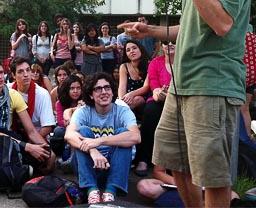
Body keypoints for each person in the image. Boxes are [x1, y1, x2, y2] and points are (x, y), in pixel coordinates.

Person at [119, 0, 253, 207]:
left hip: (213, 83)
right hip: (181, 84)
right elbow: (194, 26)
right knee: (174, 164)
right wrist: (150, 30)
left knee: (213, 175)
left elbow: (222, 24)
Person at [65, 72, 140, 204]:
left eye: (107, 88)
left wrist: (98, 141)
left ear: (112, 92)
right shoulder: (83, 111)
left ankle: (110, 192)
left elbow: (135, 136)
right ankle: (92, 191)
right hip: (88, 165)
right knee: (83, 131)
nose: (104, 92)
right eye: (98, 89)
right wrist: (93, 150)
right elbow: (69, 134)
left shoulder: (122, 110)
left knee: (123, 132)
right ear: (90, 95)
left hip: (115, 166)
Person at [134, 41, 175, 176]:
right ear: (162, 46)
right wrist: (159, 95)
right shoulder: (156, 63)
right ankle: (144, 159)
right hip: (159, 99)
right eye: (166, 42)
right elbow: (154, 85)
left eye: (174, 41)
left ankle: (172, 163)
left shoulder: (186, 63)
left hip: (180, 101)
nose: (170, 44)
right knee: (151, 111)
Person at [9, 57, 56, 141]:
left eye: (28, 70)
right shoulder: (7, 91)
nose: (26, 74)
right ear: (13, 75)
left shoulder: (42, 94)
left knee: (50, 154)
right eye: (20, 72)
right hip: (12, 136)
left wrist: (30, 144)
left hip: (37, 137)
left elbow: (47, 127)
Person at [118, 40, 150, 113]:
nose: (131, 51)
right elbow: (122, 86)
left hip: (144, 96)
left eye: (134, 48)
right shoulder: (124, 66)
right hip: (127, 97)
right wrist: (121, 100)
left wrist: (131, 94)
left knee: (137, 99)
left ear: (140, 49)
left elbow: (146, 87)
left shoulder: (150, 64)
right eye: (128, 50)